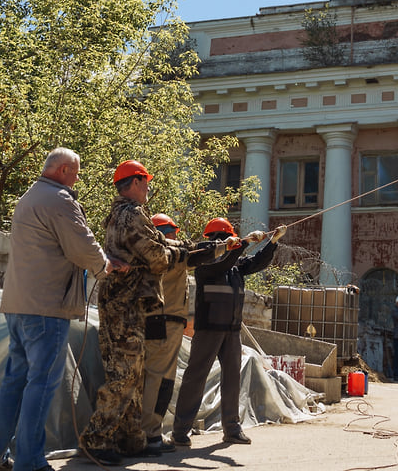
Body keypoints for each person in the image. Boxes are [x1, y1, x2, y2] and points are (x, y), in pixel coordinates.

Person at [0, 148, 115, 471]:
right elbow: (82, 245)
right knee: (41, 384)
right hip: (47, 308)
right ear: (64, 170)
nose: (78, 178)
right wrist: (105, 266)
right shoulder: (60, 200)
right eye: (77, 172)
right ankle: (30, 461)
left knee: (15, 380)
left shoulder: (28, 197)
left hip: (18, 305)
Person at [78, 161, 209, 466]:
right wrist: (190, 253)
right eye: (145, 181)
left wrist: (201, 248)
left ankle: (130, 440)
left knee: (134, 376)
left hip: (128, 306)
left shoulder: (123, 215)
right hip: (124, 307)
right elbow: (158, 256)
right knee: (124, 376)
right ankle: (96, 441)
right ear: (135, 182)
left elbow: (162, 244)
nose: (148, 186)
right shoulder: (132, 214)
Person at [169, 217, 285, 449]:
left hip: (231, 331)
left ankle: (232, 429)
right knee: (196, 377)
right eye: (223, 239)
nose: (223, 243)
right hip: (209, 329)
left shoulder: (235, 266)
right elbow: (221, 263)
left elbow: (257, 262)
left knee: (232, 379)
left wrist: (272, 242)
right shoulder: (205, 264)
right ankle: (180, 431)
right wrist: (241, 243)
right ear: (216, 240)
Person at [139, 213, 224, 455]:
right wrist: (224, 246)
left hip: (171, 321)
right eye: (170, 231)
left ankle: (153, 431)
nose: (175, 235)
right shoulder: (163, 252)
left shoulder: (170, 251)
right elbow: (195, 255)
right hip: (163, 319)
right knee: (157, 378)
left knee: (164, 380)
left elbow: (193, 251)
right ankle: (148, 433)